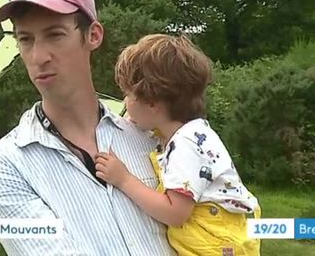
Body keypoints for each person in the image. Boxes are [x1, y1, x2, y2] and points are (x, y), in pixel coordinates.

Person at [0, 0, 175, 256]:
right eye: (26, 40)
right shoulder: (5, 167)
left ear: (93, 35)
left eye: (54, 35)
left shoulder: (150, 138)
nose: (38, 56)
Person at [94, 34, 262, 256]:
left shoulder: (186, 145)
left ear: (152, 103)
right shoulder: (187, 132)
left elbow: (175, 213)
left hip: (213, 244)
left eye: (128, 95)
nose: (125, 103)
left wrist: (124, 179)